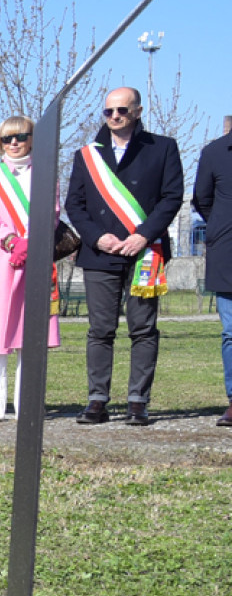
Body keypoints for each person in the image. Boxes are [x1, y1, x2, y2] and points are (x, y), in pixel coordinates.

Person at [64, 87, 186, 426]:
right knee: (100, 329)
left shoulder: (163, 147)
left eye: (122, 110)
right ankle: (97, 401)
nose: (115, 116)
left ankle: (137, 401)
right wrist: (96, 236)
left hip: (145, 253)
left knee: (143, 329)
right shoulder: (87, 154)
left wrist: (144, 235)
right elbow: (75, 203)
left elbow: (172, 197)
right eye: (109, 112)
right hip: (100, 253)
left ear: (137, 111)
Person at [0, 117, 60, 421]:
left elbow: (53, 212)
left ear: (33, 139)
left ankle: (28, 403)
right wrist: (9, 240)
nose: (14, 143)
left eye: (20, 136)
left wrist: (31, 243)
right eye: (7, 139)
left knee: (30, 332)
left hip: (35, 257)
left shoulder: (46, 174)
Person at [195, 123, 232, 427]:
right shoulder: (215, 153)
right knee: (231, 332)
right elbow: (203, 200)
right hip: (228, 254)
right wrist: (222, 227)